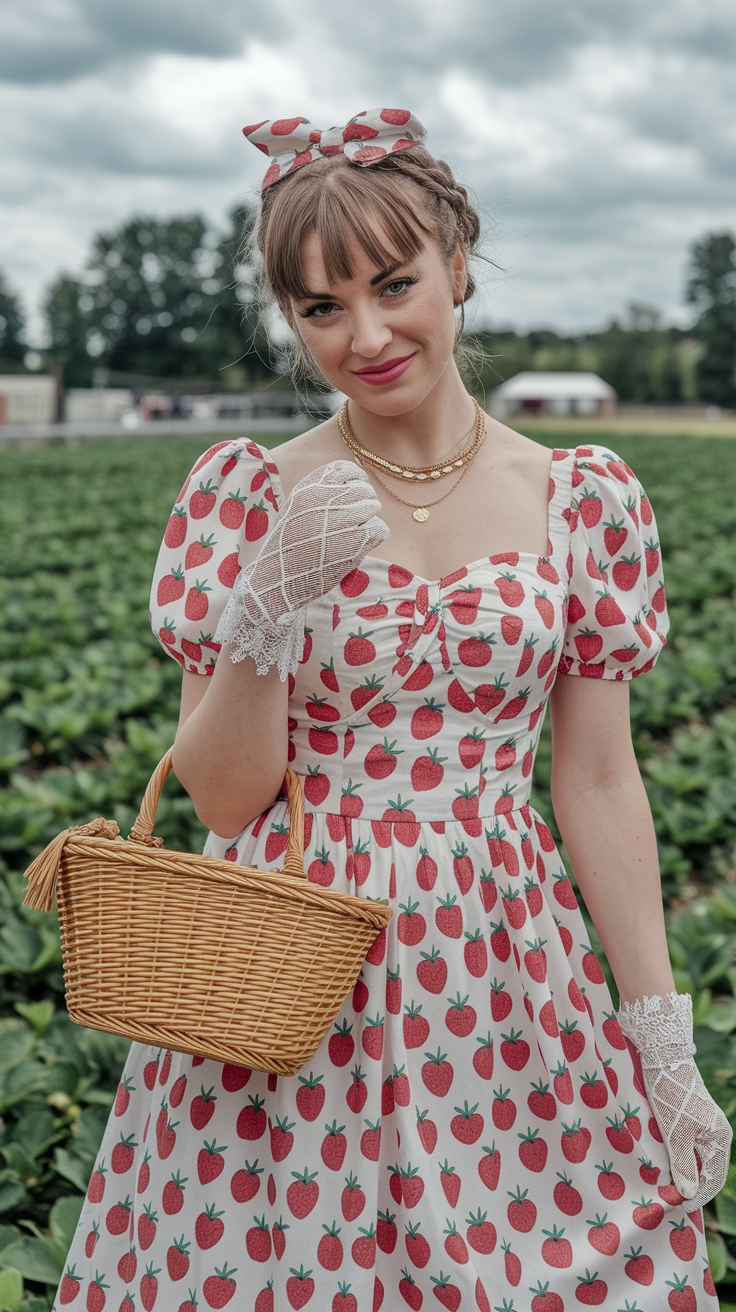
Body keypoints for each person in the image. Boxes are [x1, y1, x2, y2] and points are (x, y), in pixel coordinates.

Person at [54, 109, 730, 1312]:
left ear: (458, 262)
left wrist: (661, 1042)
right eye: (320, 308)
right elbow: (220, 796)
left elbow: (597, 780)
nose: (365, 334)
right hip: (287, 958)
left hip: (499, 960)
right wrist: (267, 609)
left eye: (394, 283)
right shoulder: (247, 491)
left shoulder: (580, 496)